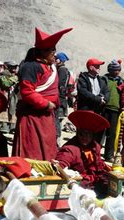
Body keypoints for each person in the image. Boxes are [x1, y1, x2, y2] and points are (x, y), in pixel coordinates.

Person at [12, 27, 72, 161]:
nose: (54, 54)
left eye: (54, 50)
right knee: (31, 148)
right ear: (43, 52)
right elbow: (27, 92)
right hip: (32, 116)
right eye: (52, 51)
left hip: (46, 115)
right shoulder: (31, 67)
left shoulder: (50, 67)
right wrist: (46, 104)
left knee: (47, 146)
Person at [55, 110, 111, 197]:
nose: (85, 138)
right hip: (78, 184)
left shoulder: (95, 146)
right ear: (77, 133)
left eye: (88, 135)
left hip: (94, 182)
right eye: (82, 134)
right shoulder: (70, 149)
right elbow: (59, 167)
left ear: (92, 136)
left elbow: (99, 164)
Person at [102, 59, 124, 161]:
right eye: (115, 70)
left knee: (112, 134)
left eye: (118, 70)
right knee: (100, 132)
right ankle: (95, 153)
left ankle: (109, 155)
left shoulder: (121, 82)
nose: (117, 72)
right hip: (103, 108)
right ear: (110, 70)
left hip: (115, 110)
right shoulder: (103, 79)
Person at [0, 61, 19, 134]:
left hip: (14, 97)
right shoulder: (3, 75)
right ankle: (4, 126)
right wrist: (14, 79)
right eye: (13, 67)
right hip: (5, 96)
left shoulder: (17, 76)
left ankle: (12, 127)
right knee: (4, 111)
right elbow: (6, 83)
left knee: (13, 111)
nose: (14, 68)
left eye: (15, 67)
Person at [55, 52, 71, 140]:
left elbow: (59, 84)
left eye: (56, 58)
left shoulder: (61, 70)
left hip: (59, 98)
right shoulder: (63, 69)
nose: (55, 60)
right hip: (61, 98)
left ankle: (57, 143)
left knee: (57, 121)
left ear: (60, 60)